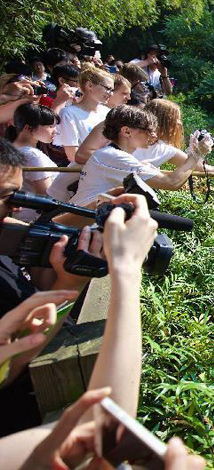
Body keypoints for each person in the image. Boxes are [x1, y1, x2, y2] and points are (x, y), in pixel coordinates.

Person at [0, 193, 205, 468]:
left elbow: (19, 355)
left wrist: (71, 281)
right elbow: (102, 422)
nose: (14, 205)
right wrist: (127, 267)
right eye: (4, 194)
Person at [0, 139, 104, 434]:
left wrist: (64, 264)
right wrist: (73, 283)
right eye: (7, 196)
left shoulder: (4, 238)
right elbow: (9, 368)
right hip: (26, 411)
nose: (18, 207)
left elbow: (37, 289)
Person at [74, 99, 214, 181]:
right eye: (176, 121)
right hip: (76, 182)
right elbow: (82, 155)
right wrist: (133, 166)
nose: (179, 126)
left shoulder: (164, 149)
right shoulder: (115, 126)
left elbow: (205, 169)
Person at [69, 105, 214, 208]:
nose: (154, 135)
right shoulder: (115, 157)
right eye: (148, 130)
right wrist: (196, 154)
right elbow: (171, 183)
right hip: (80, 220)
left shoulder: (112, 154)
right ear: (126, 131)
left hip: (82, 215)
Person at [6, 104, 60, 222]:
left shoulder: (11, 149)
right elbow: (46, 195)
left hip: (20, 216)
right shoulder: (32, 155)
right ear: (28, 128)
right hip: (34, 219)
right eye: (50, 126)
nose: (55, 131)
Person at [53, 67, 113, 163]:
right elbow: (73, 155)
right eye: (108, 88)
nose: (111, 93)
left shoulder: (108, 112)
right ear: (89, 85)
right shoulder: (68, 113)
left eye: (112, 90)